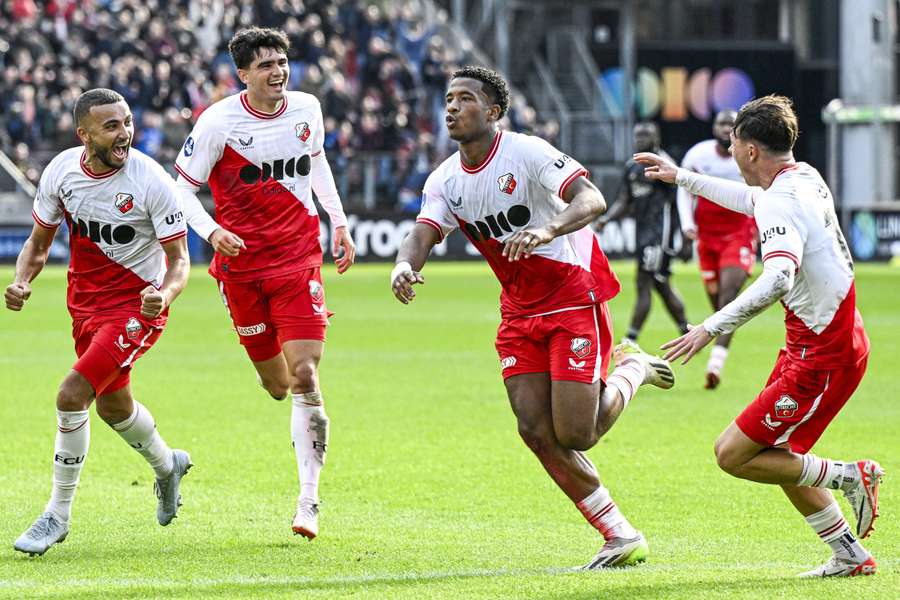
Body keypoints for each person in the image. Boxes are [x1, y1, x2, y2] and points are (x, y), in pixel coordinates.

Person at [391, 66, 675, 569]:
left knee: (577, 434)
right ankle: (620, 534)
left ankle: (632, 370)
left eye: (465, 99)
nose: (452, 108)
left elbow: (593, 198)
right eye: (448, 100)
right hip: (519, 310)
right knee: (534, 430)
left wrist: (547, 232)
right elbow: (425, 231)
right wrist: (404, 266)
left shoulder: (527, 152)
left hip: (572, 297)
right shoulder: (446, 179)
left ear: (494, 112)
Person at [636, 95, 882, 578]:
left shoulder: (780, 201)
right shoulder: (803, 176)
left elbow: (777, 280)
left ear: (750, 151)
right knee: (781, 454)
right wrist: (681, 176)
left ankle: (852, 475)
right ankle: (851, 555)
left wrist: (710, 327)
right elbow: (749, 198)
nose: (729, 153)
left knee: (733, 454)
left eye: (732, 146)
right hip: (824, 343)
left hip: (821, 356)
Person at [174, 27, 356, 540]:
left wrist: (337, 220)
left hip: (299, 260)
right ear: (242, 74)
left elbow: (316, 160)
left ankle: (308, 500)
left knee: (305, 375)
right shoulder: (217, 123)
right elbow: (180, 190)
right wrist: (211, 230)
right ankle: (270, 373)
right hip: (242, 271)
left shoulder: (307, 108)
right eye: (266, 66)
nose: (279, 72)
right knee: (279, 386)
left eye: (283, 62)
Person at [5, 88, 192, 556]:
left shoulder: (151, 181)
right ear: (83, 134)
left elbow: (180, 261)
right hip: (84, 307)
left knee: (72, 394)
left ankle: (57, 514)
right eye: (111, 126)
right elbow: (39, 242)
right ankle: (168, 464)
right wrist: (22, 279)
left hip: (137, 307)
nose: (124, 133)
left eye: (127, 121)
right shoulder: (62, 172)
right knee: (113, 409)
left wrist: (162, 296)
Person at [677, 109, 755, 389]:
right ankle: (719, 338)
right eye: (721, 124)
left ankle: (715, 366)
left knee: (728, 296)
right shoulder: (698, 155)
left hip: (739, 234)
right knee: (720, 306)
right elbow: (683, 189)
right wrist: (686, 225)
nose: (725, 129)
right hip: (706, 238)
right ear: (713, 128)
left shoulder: (748, 155)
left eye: (731, 125)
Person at [596, 122, 690, 344]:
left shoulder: (666, 166)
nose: (640, 140)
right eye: (637, 136)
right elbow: (624, 199)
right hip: (642, 233)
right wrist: (607, 219)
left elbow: (680, 203)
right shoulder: (632, 167)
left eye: (645, 136)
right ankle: (686, 331)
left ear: (656, 138)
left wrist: (684, 239)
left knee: (644, 282)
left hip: (659, 235)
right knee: (661, 284)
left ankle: (631, 338)